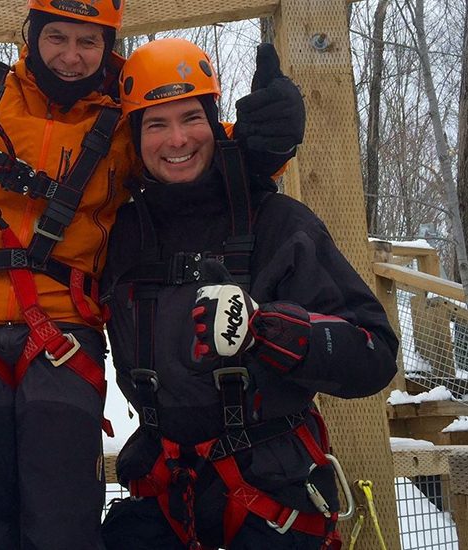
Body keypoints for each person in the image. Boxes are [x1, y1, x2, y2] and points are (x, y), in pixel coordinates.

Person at [0, 0, 303, 546]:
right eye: (57, 37)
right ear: (30, 36)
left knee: (64, 513)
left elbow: (194, 157)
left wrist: (265, 142)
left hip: (62, 327)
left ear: (107, 47)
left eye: (88, 41)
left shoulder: (124, 127)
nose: (72, 57)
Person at [100, 38, 398, 550]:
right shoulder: (117, 233)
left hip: (271, 492)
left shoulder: (278, 222)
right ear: (134, 135)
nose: (177, 139)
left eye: (191, 117)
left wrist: (271, 330)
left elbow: (375, 352)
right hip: (165, 489)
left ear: (215, 122)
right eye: (156, 123)